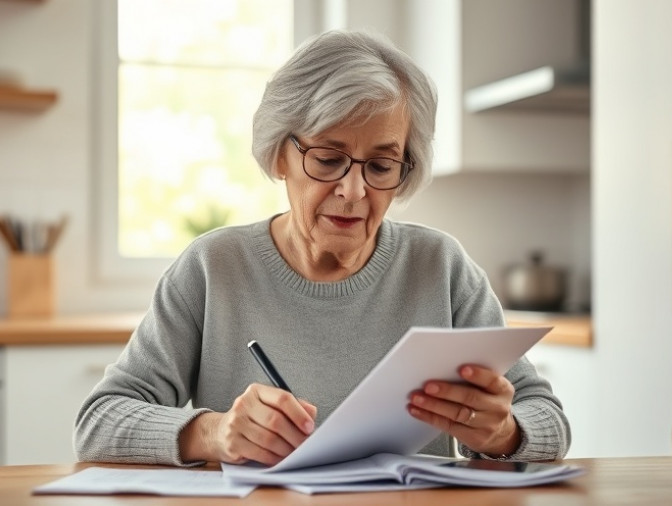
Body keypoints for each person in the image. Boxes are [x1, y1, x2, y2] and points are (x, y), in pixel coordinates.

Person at [74, 29, 570, 467]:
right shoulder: (213, 268)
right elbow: (99, 422)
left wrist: (504, 433)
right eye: (329, 159)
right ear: (279, 155)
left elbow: (548, 418)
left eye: (380, 167)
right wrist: (214, 432)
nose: (354, 191)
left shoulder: (440, 267)